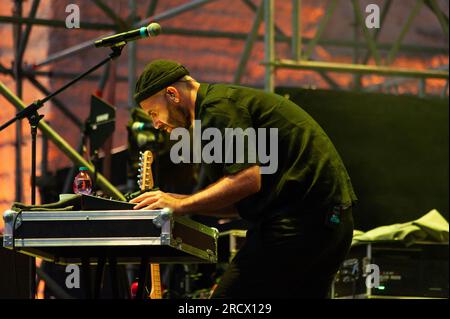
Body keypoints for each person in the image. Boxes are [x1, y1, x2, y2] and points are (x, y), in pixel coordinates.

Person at [130, 59, 357, 298]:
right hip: (332, 223)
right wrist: (182, 203)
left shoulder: (216, 107)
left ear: (173, 94)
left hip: (299, 222)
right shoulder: (220, 106)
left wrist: (180, 204)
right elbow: (241, 198)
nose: (156, 124)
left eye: (154, 113)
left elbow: (248, 179)